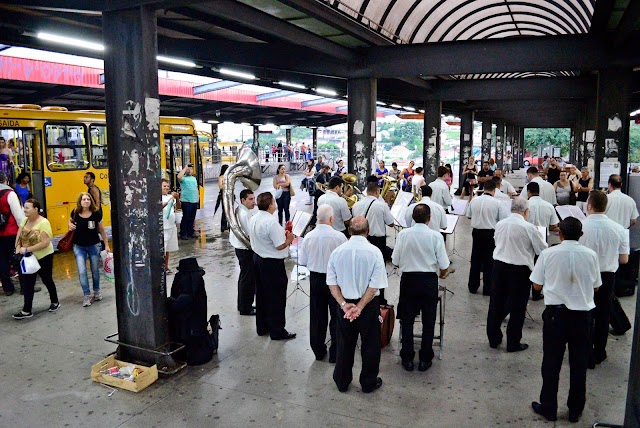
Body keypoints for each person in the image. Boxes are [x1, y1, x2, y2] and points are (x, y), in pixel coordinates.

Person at [530, 217, 601, 424]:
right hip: (582, 317)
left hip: (556, 316)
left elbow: (536, 286)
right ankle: (575, 410)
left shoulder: (548, 254)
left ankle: (549, 407)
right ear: (581, 235)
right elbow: (596, 287)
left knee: (551, 362)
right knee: (579, 365)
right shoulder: (591, 255)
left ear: (559, 233)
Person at [326, 216, 387, 393]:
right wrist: (359, 307)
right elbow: (374, 285)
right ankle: (368, 382)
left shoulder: (337, 252)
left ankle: (342, 381)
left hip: (344, 306)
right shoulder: (375, 252)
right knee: (370, 345)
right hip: (367, 306)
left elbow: (332, 283)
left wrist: (344, 304)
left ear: (349, 231)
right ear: (368, 232)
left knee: (344, 343)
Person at [392, 204, 449, 372]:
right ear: (429, 218)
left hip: (409, 280)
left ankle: (407, 357)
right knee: (429, 320)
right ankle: (425, 358)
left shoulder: (403, 234)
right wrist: (443, 272)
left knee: (407, 320)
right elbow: (444, 264)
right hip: (428, 281)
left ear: (412, 218)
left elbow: (395, 260)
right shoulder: (435, 236)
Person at [487, 198, 547, 352]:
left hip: (499, 267)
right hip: (520, 271)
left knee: (496, 303)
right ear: (526, 211)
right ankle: (513, 342)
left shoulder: (500, 224)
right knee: (517, 308)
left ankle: (493, 338)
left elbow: (497, 242)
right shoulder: (529, 228)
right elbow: (542, 249)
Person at [580, 191, 629, 367]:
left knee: (585, 314)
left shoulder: (581, 227)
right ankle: (599, 351)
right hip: (607, 277)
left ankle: (583, 351)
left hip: (584, 276)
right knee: (602, 315)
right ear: (605, 206)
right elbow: (624, 259)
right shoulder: (620, 230)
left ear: (589, 206)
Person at [299, 205, 347, 362]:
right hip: (335, 280)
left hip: (316, 279)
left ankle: (318, 350)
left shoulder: (308, 237)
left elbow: (303, 261)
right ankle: (335, 353)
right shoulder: (339, 237)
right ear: (331, 219)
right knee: (336, 315)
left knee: (317, 315)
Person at [249, 192, 295, 340]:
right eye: (274, 202)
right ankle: (277, 331)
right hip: (272, 263)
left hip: (258, 259)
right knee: (276, 297)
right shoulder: (271, 222)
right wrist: (289, 238)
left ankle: (262, 327)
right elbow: (280, 245)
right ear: (270, 206)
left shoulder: (254, 217)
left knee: (262, 295)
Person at [13, 199, 60, 319]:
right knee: (28, 282)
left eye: (27, 208)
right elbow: (19, 236)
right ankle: (26, 310)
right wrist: (18, 248)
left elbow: (45, 243)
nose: (24, 210)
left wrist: (28, 249)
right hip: (28, 258)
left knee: (47, 279)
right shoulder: (25, 220)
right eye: (24, 207)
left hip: (43, 256)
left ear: (36, 209)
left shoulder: (44, 223)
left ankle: (55, 302)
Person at [352, 180, 395, 304]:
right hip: (378, 241)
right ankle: (379, 298)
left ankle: (360, 294)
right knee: (378, 269)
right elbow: (391, 223)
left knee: (361, 266)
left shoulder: (356, 205)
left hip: (360, 237)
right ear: (377, 191)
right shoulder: (381, 205)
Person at [68, 192, 110, 306]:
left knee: (95, 270)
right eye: (83, 199)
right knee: (82, 271)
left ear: (90, 201)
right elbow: (70, 222)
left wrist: (106, 245)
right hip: (79, 246)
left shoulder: (96, 214)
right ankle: (86, 295)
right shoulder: (75, 212)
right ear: (80, 202)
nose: (86, 201)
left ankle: (96, 291)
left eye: (88, 199)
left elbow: (102, 230)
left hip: (94, 245)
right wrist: (69, 224)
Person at [467, 179, 505, 295]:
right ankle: (488, 288)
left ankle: (473, 286)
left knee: (475, 259)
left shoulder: (474, 200)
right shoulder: (497, 203)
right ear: (494, 190)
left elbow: (469, 215)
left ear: (484, 189)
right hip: (490, 234)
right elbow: (502, 219)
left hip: (477, 232)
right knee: (489, 261)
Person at [230, 189, 257, 316]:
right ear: (243, 200)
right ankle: (245, 308)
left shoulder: (241, 210)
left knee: (245, 277)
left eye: (254, 198)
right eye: (251, 199)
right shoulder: (244, 214)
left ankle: (244, 304)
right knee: (247, 279)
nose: (254, 202)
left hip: (241, 247)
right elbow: (250, 233)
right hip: (244, 249)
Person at [0, 171, 24, 296]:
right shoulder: (9, 194)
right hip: (12, 232)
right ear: (5, 180)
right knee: (19, 259)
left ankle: (8, 288)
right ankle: (24, 287)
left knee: (2, 261)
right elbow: (18, 215)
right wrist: (24, 228)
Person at [161, 179, 179, 274]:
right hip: (163, 227)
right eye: (164, 186)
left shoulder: (170, 196)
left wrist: (177, 198)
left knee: (168, 249)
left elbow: (178, 207)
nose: (166, 188)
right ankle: (161, 268)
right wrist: (169, 200)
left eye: (167, 186)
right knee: (163, 248)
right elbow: (159, 207)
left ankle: (166, 267)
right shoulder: (158, 197)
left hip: (171, 226)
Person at [178, 163, 199, 239]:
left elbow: (196, 189)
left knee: (192, 218)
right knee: (186, 217)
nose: (190, 170)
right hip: (186, 201)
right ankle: (183, 233)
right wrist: (185, 168)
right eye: (188, 169)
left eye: (191, 169)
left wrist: (197, 198)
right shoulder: (183, 178)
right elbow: (179, 176)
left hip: (194, 201)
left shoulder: (194, 178)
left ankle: (191, 232)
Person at [215, 164, 230, 233]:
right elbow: (220, 187)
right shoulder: (221, 177)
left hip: (229, 194)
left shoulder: (229, 177)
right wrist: (226, 184)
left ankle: (229, 225)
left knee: (230, 211)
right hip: (223, 195)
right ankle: (223, 227)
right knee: (225, 211)